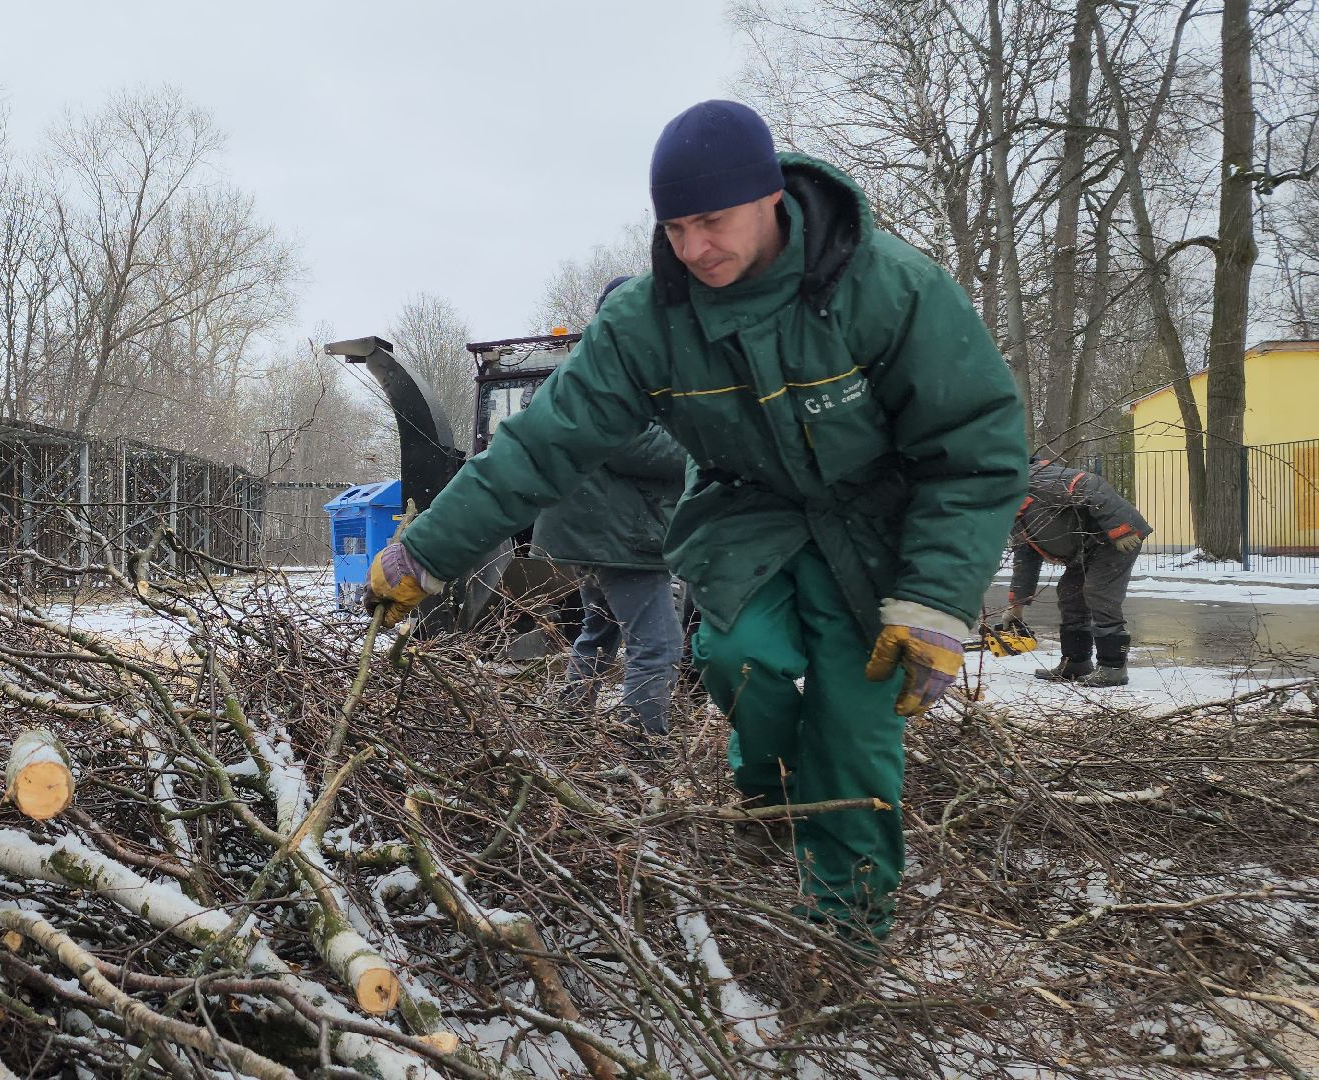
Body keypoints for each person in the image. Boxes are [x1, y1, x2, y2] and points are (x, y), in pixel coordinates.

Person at [366, 99, 1026, 953]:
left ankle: (846, 932)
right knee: (735, 660)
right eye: (674, 229)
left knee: (855, 731)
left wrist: (938, 598)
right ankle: (769, 793)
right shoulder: (647, 322)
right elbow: (542, 446)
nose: (693, 249)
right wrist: (427, 551)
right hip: (747, 512)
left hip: (879, 528)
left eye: (711, 222)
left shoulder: (888, 288)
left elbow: (975, 445)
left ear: (771, 198)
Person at [532, 276, 692, 737]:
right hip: (619, 536)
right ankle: (644, 747)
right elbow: (633, 444)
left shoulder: (594, 365)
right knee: (658, 646)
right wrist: (704, 448)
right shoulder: (613, 370)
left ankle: (567, 729)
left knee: (598, 635)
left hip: (596, 532)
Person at [1006, 458, 1151, 687]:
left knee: (1098, 592)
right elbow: (1026, 558)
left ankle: (1113, 667)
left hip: (1115, 539)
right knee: (1070, 593)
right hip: (1083, 549)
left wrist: (1121, 528)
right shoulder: (1013, 511)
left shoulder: (1039, 479)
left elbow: (1089, 484)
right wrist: (1016, 609)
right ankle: (1076, 662)